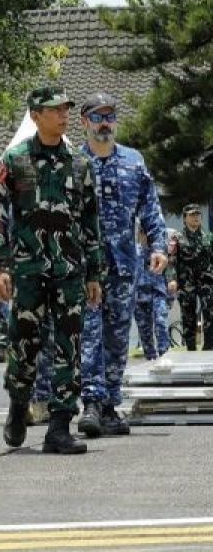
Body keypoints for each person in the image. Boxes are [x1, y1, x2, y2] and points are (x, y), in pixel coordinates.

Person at [0, 86, 102, 455]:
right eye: (55, 110)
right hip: (27, 270)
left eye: (66, 109)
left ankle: (59, 426)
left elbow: (89, 222)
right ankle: (19, 405)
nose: (63, 115)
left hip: (69, 270)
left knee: (69, 347)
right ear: (36, 115)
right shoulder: (15, 160)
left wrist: (93, 274)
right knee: (24, 345)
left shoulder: (80, 163)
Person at [73, 93, 168, 439]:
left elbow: (150, 208)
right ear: (84, 122)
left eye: (110, 117)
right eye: (97, 117)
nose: (104, 124)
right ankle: (92, 403)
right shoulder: (73, 164)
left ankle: (110, 404)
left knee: (117, 336)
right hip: (86, 268)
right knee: (90, 333)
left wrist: (158, 246)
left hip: (126, 265)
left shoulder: (133, 161)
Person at [171, 204, 213, 352]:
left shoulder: (208, 236)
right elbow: (172, 261)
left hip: (207, 282)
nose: (196, 217)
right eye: (192, 215)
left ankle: (209, 348)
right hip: (186, 282)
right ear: (184, 218)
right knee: (188, 316)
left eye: (198, 214)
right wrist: (172, 279)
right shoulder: (177, 238)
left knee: (210, 313)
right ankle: (191, 349)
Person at [134, 228, 176, 362]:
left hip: (158, 293)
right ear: (140, 235)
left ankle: (165, 355)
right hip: (140, 296)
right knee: (144, 331)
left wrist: (171, 292)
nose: (146, 236)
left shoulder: (160, 252)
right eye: (143, 233)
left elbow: (170, 272)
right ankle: (150, 359)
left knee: (160, 322)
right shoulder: (133, 252)